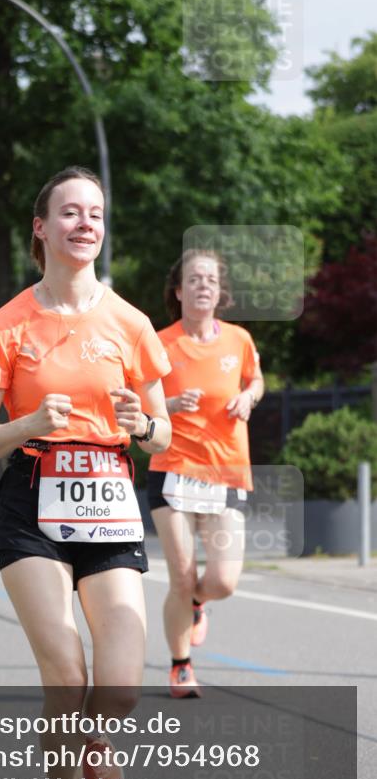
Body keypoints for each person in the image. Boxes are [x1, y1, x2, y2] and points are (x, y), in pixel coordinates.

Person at [0, 167, 172, 779]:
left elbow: (163, 435)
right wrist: (25, 425)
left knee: (116, 685)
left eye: (95, 214)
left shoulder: (130, 323)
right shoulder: (8, 324)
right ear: (41, 227)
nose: (85, 223)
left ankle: (99, 731)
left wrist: (139, 424)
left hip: (110, 497)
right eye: (70, 212)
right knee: (65, 672)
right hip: (31, 496)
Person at [148, 249, 264, 698]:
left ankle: (198, 603)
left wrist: (249, 398)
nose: (203, 286)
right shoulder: (160, 344)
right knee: (180, 574)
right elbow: (139, 403)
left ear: (220, 292)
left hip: (227, 471)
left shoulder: (239, 340)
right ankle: (180, 665)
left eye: (210, 280)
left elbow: (256, 379)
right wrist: (169, 407)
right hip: (173, 469)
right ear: (179, 291)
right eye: (194, 279)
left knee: (223, 580)